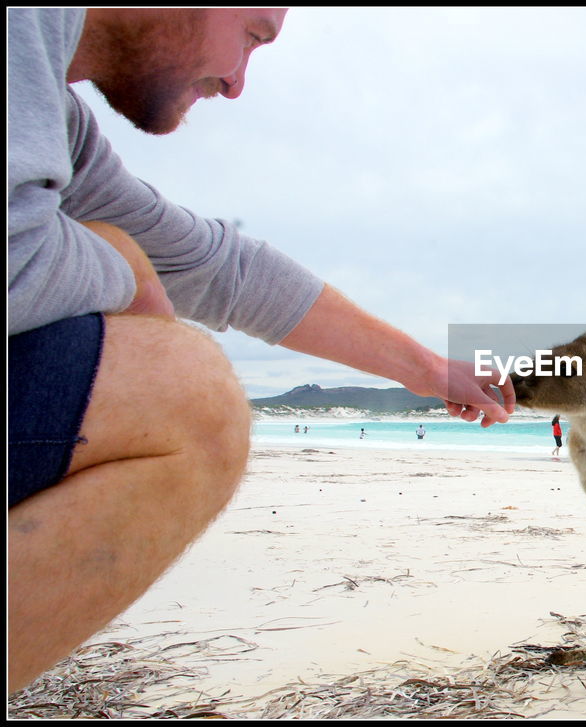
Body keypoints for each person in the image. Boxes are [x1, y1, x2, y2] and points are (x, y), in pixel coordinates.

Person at [6, 8, 515, 694]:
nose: (238, 82)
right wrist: (135, 278)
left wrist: (430, 369)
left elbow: (220, 268)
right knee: (190, 401)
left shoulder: (55, 120)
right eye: (252, 33)